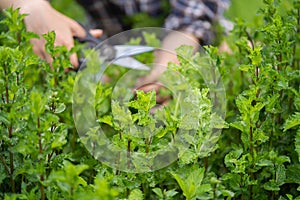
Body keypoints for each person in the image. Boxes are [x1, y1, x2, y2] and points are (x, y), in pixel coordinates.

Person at [0, 0, 232, 85]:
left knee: (237, 62)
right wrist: (30, 7)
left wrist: (169, 64)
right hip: (105, 40)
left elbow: (193, 17)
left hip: (197, 37)